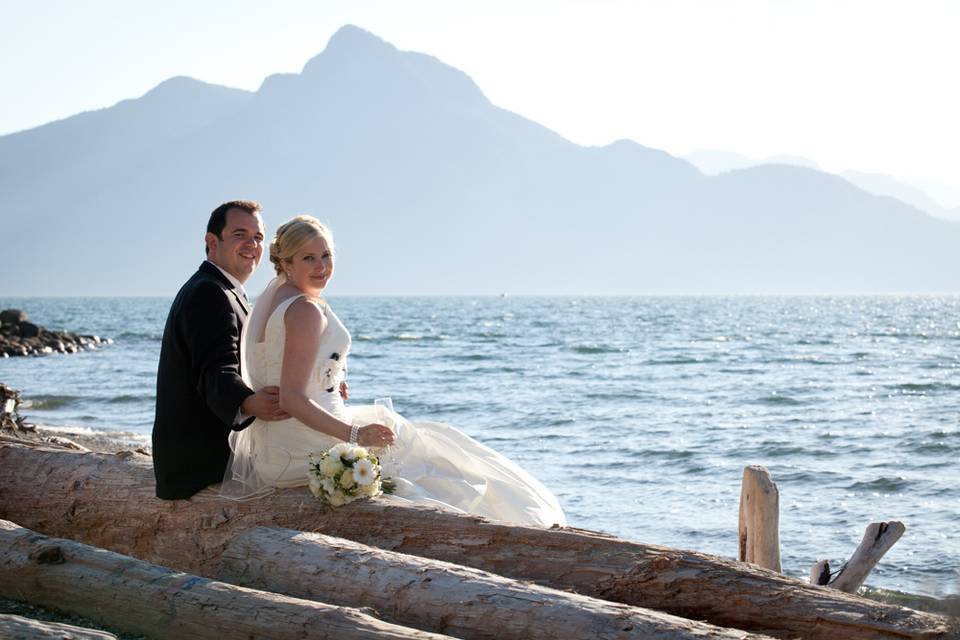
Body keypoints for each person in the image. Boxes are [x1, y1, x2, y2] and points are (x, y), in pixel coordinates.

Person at [223, 215, 566, 527]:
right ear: (285, 261)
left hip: (276, 449)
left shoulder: (278, 300)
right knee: (432, 456)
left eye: (326, 255)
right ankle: (514, 528)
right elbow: (294, 399)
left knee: (419, 438)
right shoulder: (305, 311)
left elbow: (284, 374)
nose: (322, 267)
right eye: (309, 258)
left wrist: (328, 382)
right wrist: (356, 436)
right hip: (302, 448)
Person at [152, 200, 288, 500]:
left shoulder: (223, 290)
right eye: (240, 234)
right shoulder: (208, 293)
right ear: (212, 242)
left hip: (204, 450)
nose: (252, 244)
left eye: (258, 237)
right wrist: (252, 403)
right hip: (200, 464)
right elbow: (216, 371)